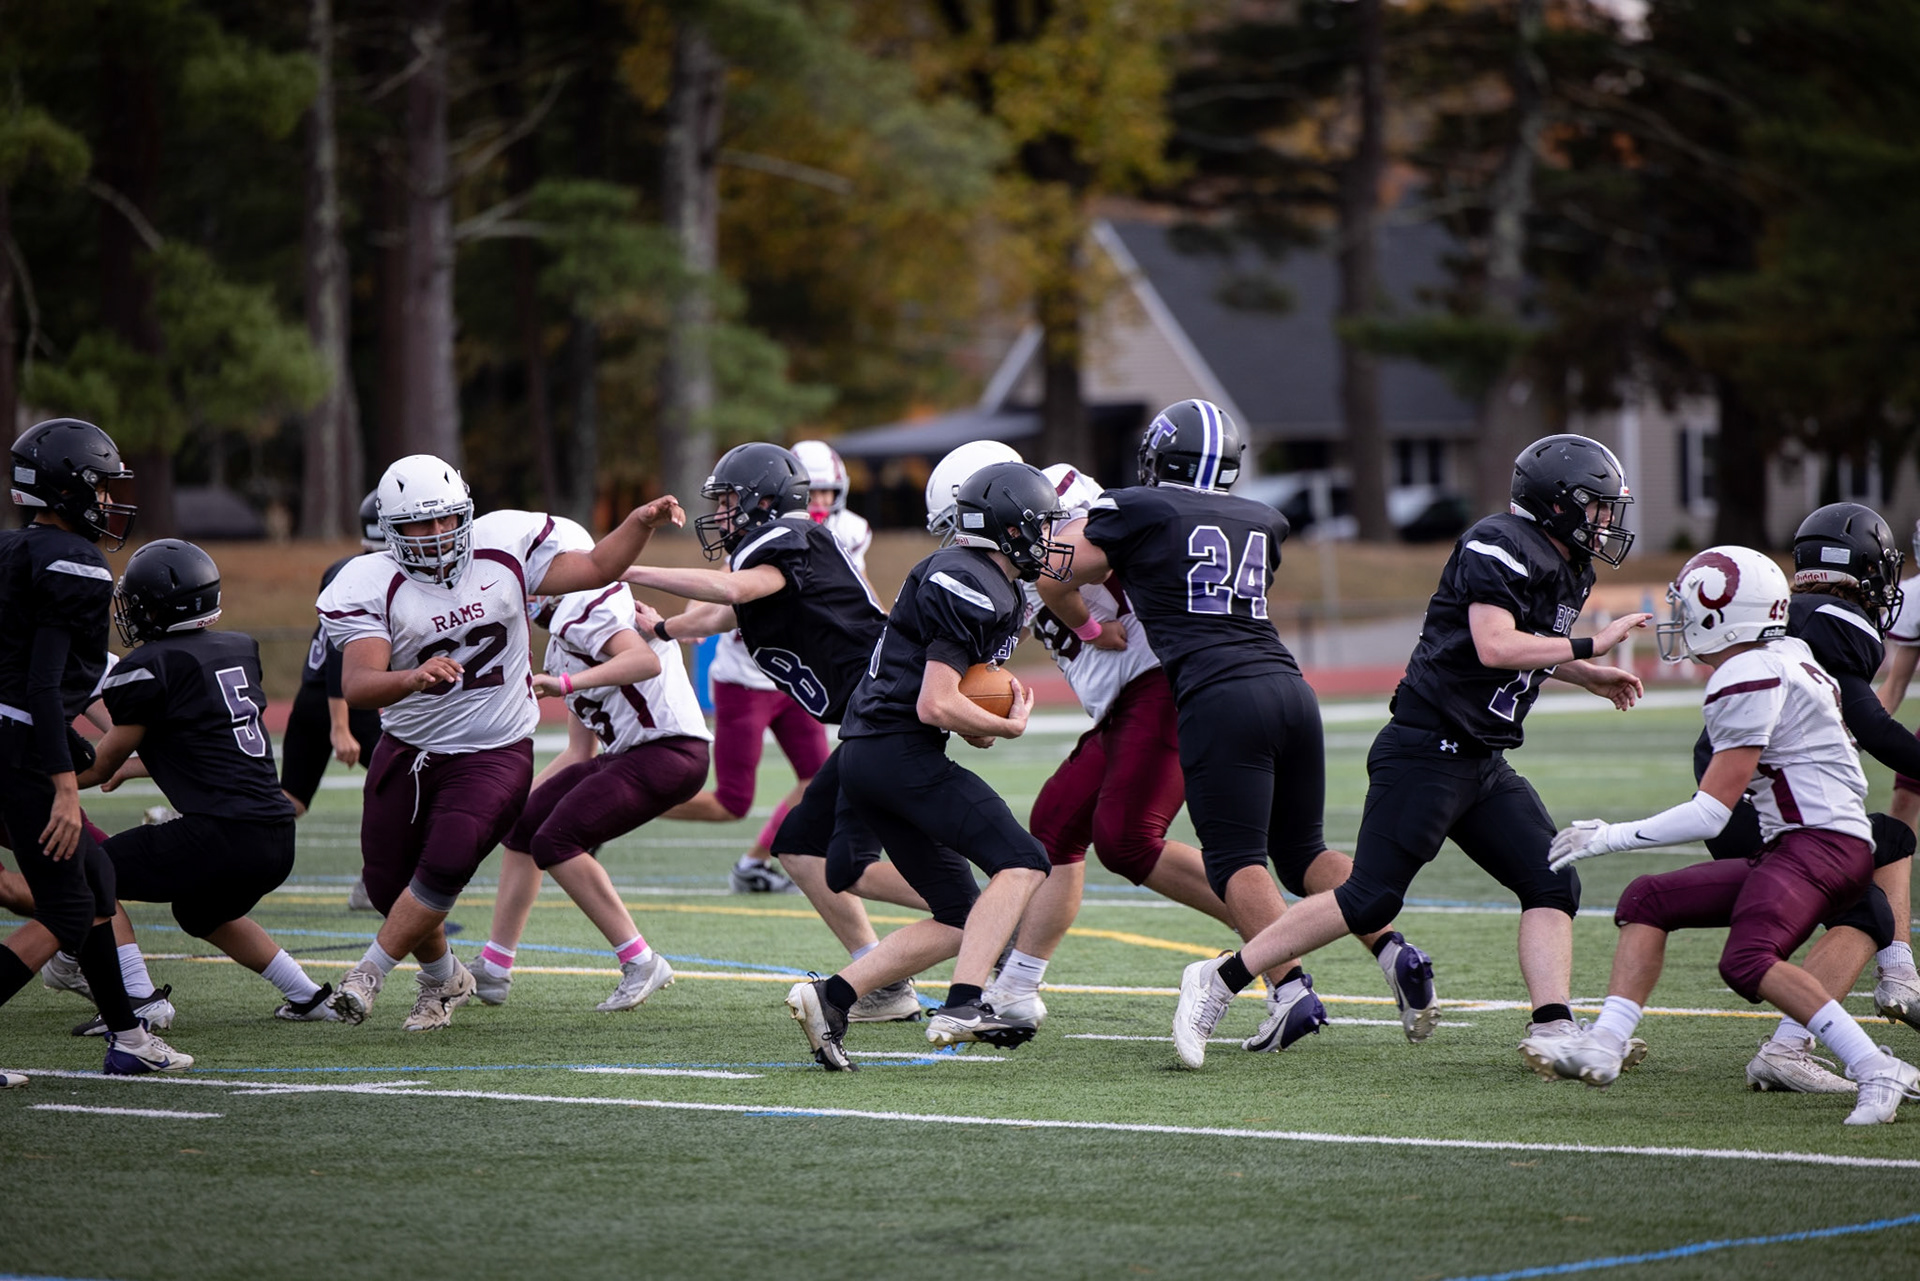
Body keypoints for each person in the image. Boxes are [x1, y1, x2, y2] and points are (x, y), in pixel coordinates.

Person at [1163, 430, 1648, 1070]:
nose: (1605, 520)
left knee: (1550, 880)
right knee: (1369, 899)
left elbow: (1521, 646)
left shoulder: (1567, 563)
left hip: (1481, 758)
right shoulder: (1498, 542)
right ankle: (1216, 981)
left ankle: (1553, 1027)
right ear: (1556, 501)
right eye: (1595, 505)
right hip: (1427, 750)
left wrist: (1584, 674)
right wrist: (1591, 646)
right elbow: (1495, 645)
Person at [1041, 401, 1442, 1068]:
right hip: (1289, 687)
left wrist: (1088, 627)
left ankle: (1289, 994)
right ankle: (1395, 947)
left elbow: (1056, 572)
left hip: (1217, 695)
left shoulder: (1135, 506)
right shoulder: (1262, 517)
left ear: (1158, 457)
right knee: (1305, 849)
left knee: (1236, 861)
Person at [1543, 546, 1920, 1126]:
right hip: (1804, 842)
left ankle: (1876, 1066)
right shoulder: (1786, 653)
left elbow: (1711, 815)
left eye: (1689, 605)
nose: (1682, 619)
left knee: (1745, 960)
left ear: (1723, 613)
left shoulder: (1750, 672)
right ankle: (1606, 1041)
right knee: (1648, 899)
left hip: (1818, 846)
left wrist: (1608, 835)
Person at [317, 453, 682, 1030]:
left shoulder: (501, 546)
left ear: (464, 513)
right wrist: (411, 677)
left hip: (495, 746)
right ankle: (444, 979)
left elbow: (594, 567)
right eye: (419, 525)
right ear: (390, 530)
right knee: (389, 884)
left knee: (450, 855)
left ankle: (368, 974)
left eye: (445, 520)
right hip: (409, 747)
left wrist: (639, 522)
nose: (437, 536)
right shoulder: (369, 583)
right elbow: (359, 685)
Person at [988, 462, 1320, 1048]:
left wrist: (1089, 628)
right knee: (1056, 824)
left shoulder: (1099, 524)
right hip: (1127, 702)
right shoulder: (1004, 563)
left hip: (1162, 687)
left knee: (1128, 839)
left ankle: (1283, 966)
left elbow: (1094, 560)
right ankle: (1015, 988)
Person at [623, 443, 927, 1024]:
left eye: (731, 500)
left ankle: (987, 918)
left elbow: (734, 593)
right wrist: (661, 625)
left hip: (886, 710)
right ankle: (886, 980)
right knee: (799, 846)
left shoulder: (788, 537)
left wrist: (628, 567)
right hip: (874, 714)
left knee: (847, 862)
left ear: (765, 500)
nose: (724, 513)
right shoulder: (774, 556)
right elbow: (717, 614)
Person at [784, 460, 1063, 1070]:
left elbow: (943, 701)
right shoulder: (971, 580)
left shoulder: (982, 578)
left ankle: (830, 998)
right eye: (1039, 525)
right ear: (1010, 527)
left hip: (872, 755)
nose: (1047, 539)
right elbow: (935, 702)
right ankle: (965, 1003)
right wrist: (1006, 724)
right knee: (1024, 861)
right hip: (897, 753)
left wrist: (978, 725)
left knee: (962, 915)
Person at [53, 540, 339, 1025]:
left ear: (155, 609)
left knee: (93, 872)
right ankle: (308, 995)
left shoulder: (150, 667)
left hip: (221, 833)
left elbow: (99, 764)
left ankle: (139, 998)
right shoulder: (238, 649)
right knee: (199, 912)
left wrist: (40, 781)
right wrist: (132, 766)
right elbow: (203, 747)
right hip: (274, 836)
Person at [1694, 504, 1919, 1091]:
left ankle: (1897, 976)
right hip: (1758, 804)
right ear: (1867, 569)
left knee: (1889, 840)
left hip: (1736, 797)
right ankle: (1790, 1047)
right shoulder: (1833, 620)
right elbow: (1872, 726)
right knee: (1865, 909)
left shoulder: (1788, 611)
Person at [0, 417, 191, 1075]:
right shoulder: (74, 561)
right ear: (67, 487)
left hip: (12, 738)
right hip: (19, 749)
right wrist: (61, 781)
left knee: (97, 875)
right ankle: (130, 1036)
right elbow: (44, 685)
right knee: (69, 904)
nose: (108, 501)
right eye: (100, 487)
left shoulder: (12, 549)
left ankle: (129, 1037)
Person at [469, 555, 711, 1012]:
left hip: (669, 751)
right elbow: (580, 752)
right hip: (627, 754)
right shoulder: (562, 641)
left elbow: (644, 662)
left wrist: (566, 683)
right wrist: (512, 801)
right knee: (523, 829)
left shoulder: (591, 604)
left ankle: (640, 961)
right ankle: (495, 966)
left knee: (556, 843)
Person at [279, 491, 386, 911]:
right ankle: (373, 882)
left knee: (291, 801)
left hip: (312, 696)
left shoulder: (340, 568)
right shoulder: (372, 574)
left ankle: (201, 826)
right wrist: (340, 727)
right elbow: (344, 653)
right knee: (407, 788)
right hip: (345, 702)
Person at [1865, 516, 1920, 1028]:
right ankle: (1898, 961)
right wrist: (1865, 726)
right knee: (1901, 823)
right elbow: (1896, 681)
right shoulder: (1917, 594)